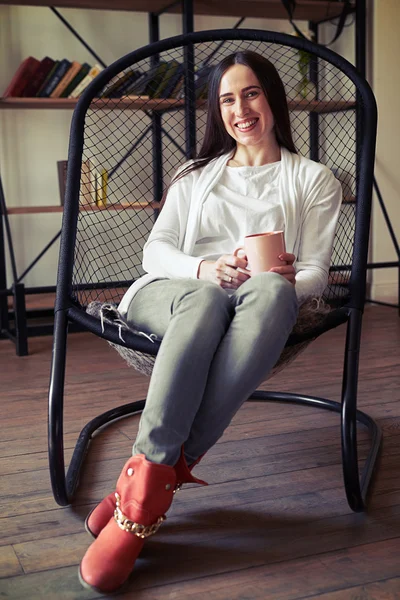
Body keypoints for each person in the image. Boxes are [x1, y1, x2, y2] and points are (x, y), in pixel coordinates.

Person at [79, 50, 342, 593]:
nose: (240, 109)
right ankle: (154, 485)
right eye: (227, 98)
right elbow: (155, 252)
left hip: (257, 309)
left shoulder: (314, 179)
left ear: (272, 99)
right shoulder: (195, 175)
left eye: (250, 93)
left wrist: (290, 279)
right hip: (171, 294)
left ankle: (142, 491)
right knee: (204, 300)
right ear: (216, 110)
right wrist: (204, 268)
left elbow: (317, 270)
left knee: (272, 291)